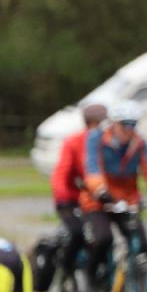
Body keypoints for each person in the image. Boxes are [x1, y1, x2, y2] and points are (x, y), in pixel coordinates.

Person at [80, 100, 147, 292]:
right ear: (114, 123)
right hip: (99, 201)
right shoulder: (96, 139)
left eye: (133, 125)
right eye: (125, 124)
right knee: (103, 239)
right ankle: (91, 280)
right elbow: (92, 168)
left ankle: (139, 290)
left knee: (142, 244)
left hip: (127, 202)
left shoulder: (138, 143)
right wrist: (101, 190)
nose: (129, 130)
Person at [50, 103, 107, 277]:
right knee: (77, 233)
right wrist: (63, 197)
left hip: (97, 199)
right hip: (71, 199)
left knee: (104, 236)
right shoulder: (74, 142)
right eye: (101, 122)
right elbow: (61, 173)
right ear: (92, 123)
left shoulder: (108, 143)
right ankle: (66, 269)